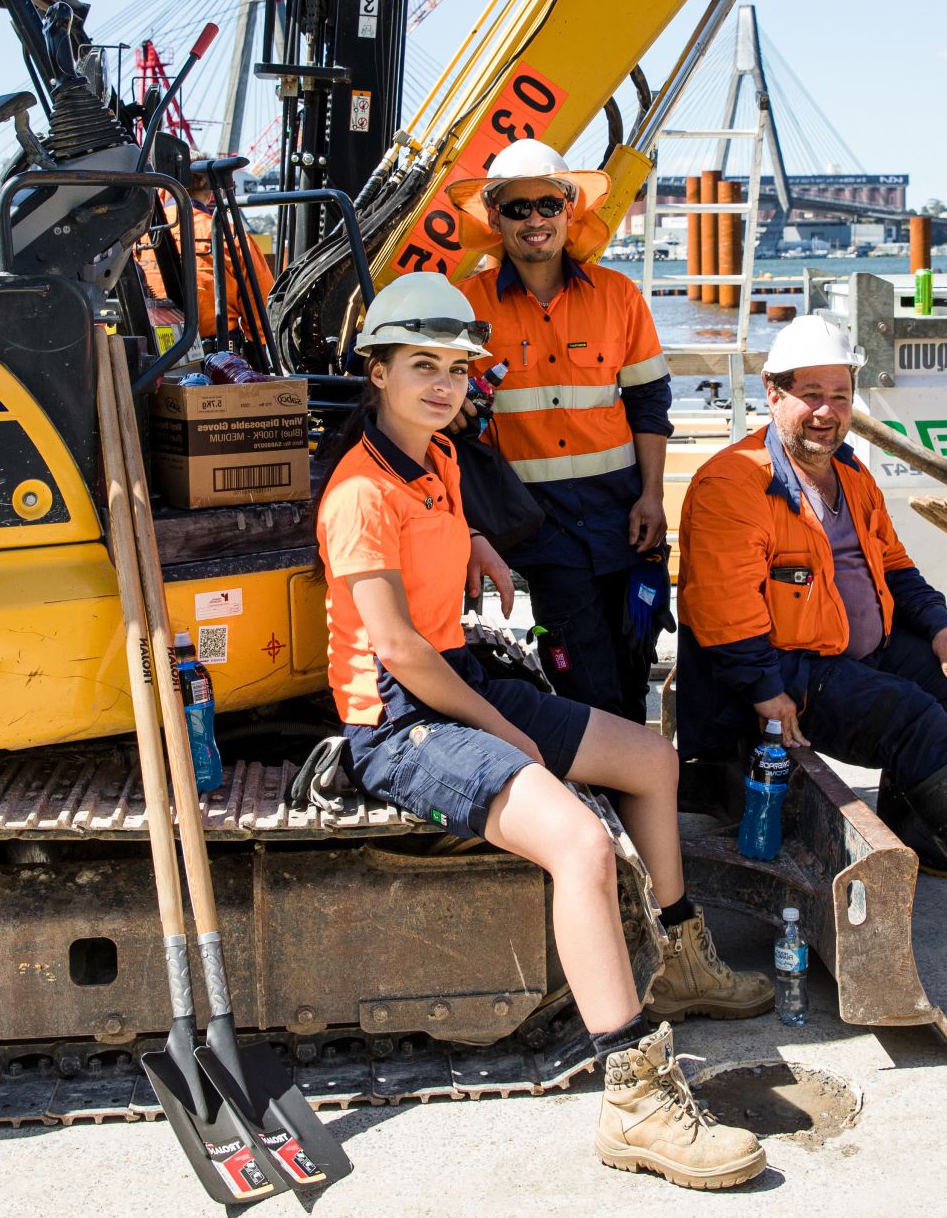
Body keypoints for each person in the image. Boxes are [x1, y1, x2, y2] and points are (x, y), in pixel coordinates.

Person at [314, 273, 769, 1189]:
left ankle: (678, 959)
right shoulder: (359, 492)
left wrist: (478, 543)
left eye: (454, 369)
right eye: (421, 367)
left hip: (459, 675)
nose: (443, 385)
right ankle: (634, 1096)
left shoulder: (434, 459)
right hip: (398, 718)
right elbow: (397, 650)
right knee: (580, 846)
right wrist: (504, 732)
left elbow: (438, 544)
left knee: (649, 758)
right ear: (378, 372)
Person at [674, 315, 947, 946]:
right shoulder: (735, 483)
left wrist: (942, 628)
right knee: (910, 715)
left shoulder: (851, 473)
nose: (827, 412)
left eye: (840, 395)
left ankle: (920, 839)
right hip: (777, 672)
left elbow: (893, 565)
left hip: (850, 656)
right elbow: (724, 611)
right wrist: (763, 689)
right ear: (773, 393)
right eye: (811, 395)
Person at [447, 141, 672, 722]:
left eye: (547, 203)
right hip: (533, 519)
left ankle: (626, 782)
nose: (535, 220)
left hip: (620, 510)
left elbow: (649, 402)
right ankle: (609, 783)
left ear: (569, 210)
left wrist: (653, 495)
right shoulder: (463, 307)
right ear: (494, 219)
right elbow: (435, 419)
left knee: (632, 654)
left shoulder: (619, 296)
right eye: (518, 209)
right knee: (581, 667)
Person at [135, 160, 274, 346]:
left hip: (151, 352)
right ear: (210, 190)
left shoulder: (140, 236)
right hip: (215, 356)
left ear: (163, 188)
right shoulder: (229, 235)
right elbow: (263, 313)